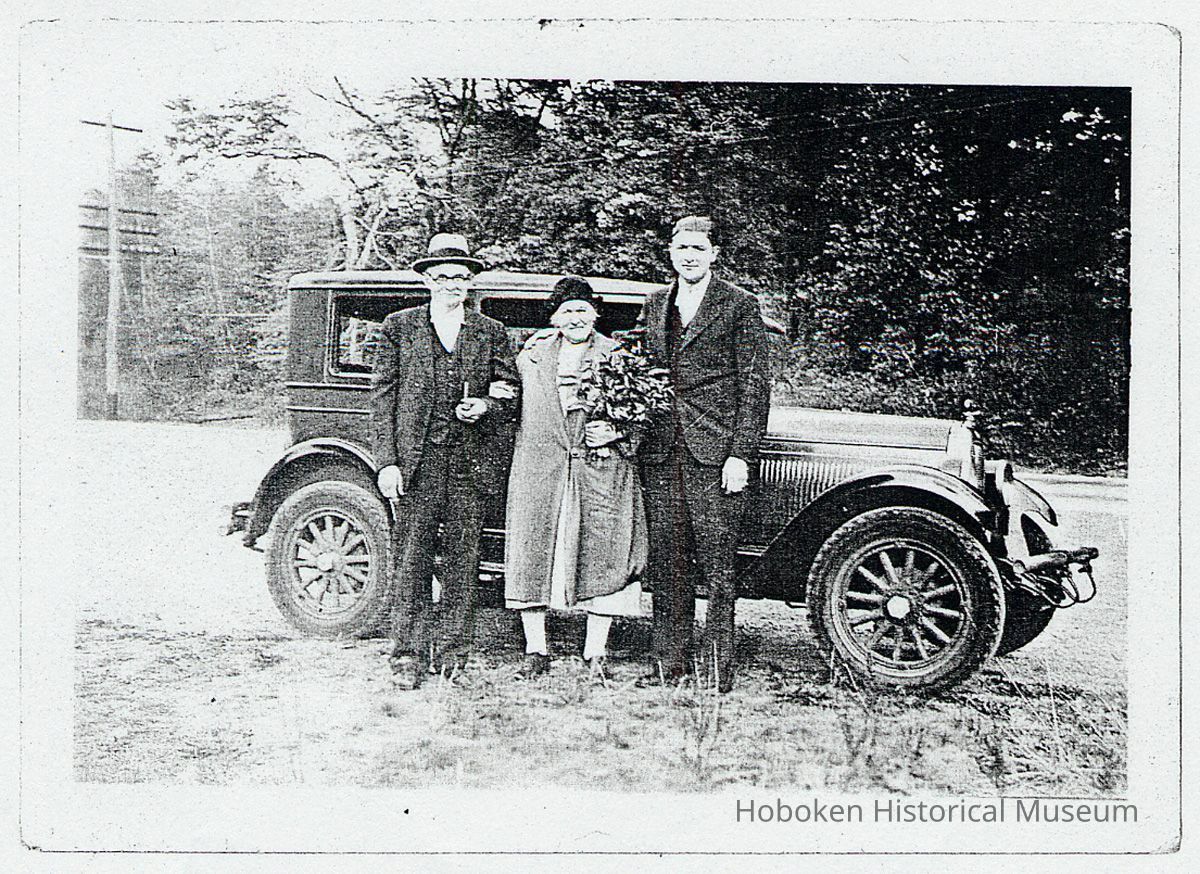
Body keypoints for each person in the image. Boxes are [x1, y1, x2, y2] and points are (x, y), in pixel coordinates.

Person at [370, 233, 517, 690]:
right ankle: (407, 656)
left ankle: (453, 655)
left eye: (460, 277)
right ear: (428, 280)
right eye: (443, 276)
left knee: (462, 561)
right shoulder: (400, 327)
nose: (451, 284)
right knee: (411, 559)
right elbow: (382, 399)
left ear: (470, 283)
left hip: (469, 466)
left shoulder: (489, 331)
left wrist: (488, 406)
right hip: (417, 465)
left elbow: (510, 386)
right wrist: (388, 462)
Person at [637, 216, 770, 693]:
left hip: (714, 454)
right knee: (668, 561)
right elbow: (637, 371)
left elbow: (754, 386)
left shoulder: (739, 305)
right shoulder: (654, 304)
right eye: (681, 248)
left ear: (714, 253)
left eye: (698, 248)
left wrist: (741, 455)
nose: (689, 256)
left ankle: (715, 670)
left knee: (717, 565)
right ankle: (668, 666)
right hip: (661, 452)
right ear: (670, 253)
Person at [504, 276, 648, 682]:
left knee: (602, 549)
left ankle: (595, 652)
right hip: (541, 468)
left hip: (600, 469)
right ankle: (536, 649)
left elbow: (645, 414)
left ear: (595, 313)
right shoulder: (532, 355)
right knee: (534, 551)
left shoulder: (617, 354)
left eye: (583, 310)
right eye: (567, 311)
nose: (575, 318)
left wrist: (619, 433)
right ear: (554, 317)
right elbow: (511, 402)